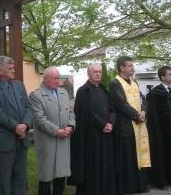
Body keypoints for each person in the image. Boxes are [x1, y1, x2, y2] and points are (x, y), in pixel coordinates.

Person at [0, 56, 33, 195]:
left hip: (22, 138)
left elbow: (28, 107)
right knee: (4, 180)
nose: (14, 70)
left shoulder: (19, 85)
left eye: (13, 67)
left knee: (20, 178)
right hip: (5, 141)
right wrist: (16, 127)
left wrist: (25, 124)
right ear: (1, 71)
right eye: (10, 68)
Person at [68, 64, 117, 195]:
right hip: (92, 137)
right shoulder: (83, 91)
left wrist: (111, 123)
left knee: (106, 166)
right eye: (95, 72)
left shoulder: (103, 89)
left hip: (107, 135)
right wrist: (103, 125)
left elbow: (113, 110)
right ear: (89, 74)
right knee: (94, 166)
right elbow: (87, 113)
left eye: (100, 72)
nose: (98, 74)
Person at [29, 67, 76, 195]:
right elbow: (40, 119)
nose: (57, 81)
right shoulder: (36, 96)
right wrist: (57, 131)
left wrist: (71, 126)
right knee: (46, 179)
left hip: (63, 141)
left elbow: (71, 113)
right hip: (48, 143)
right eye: (54, 78)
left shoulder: (63, 93)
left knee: (60, 179)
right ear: (45, 79)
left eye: (58, 78)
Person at [109, 56, 150, 194]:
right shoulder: (115, 83)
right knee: (128, 157)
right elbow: (120, 104)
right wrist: (137, 116)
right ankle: (128, 186)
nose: (133, 68)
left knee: (138, 156)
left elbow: (143, 99)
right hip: (125, 126)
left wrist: (143, 111)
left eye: (132, 65)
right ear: (122, 67)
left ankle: (140, 185)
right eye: (130, 66)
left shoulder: (134, 82)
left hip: (138, 126)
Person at [146, 66, 171, 189]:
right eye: (170, 74)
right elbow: (156, 115)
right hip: (162, 131)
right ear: (162, 77)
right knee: (162, 155)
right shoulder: (155, 93)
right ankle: (161, 181)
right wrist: (170, 120)